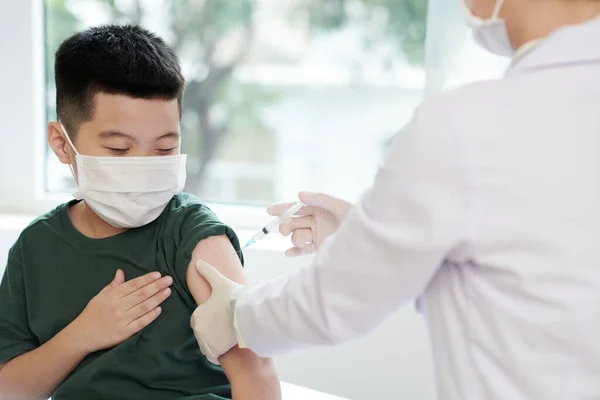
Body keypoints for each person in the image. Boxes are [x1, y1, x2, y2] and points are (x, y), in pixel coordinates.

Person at [189, 0, 600, 398]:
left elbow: (332, 302)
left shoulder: (467, 125)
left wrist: (235, 314)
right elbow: (531, 259)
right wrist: (360, 234)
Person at [0, 25, 280, 400]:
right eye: (118, 149)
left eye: (164, 149)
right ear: (62, 144)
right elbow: (11, 389)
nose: (143, 166)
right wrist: (82, 335)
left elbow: (256, 371)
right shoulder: (35, 248)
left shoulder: (191, 233)